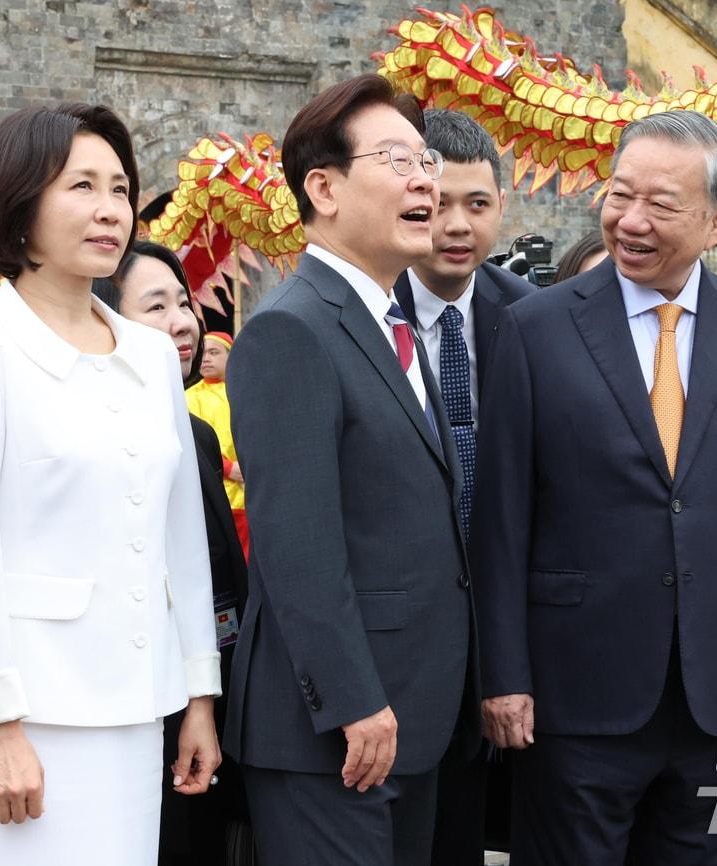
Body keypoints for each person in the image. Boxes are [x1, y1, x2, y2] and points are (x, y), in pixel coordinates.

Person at [470, 110, 717, 865]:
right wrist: (503, 676)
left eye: (660, 205)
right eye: (619, 194)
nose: (630, 221)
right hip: (574, 698)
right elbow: (500, 521)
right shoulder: (535, 329)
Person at [0, 103, 222, 866]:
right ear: (19, 206)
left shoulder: (149, 358)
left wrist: (199, 699)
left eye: (119, 187)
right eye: (81, 186)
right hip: (36, 710)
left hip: (140, 700)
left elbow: (182, 543)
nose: (110, 209)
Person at [223, 74, 479, 866]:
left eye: (426, 160)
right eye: (395, 159)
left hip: (414, 719)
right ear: (324, 189)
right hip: (336, 734)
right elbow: (299, 546)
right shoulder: (291, 333)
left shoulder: (395, 321)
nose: (424, 181)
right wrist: (354, 701)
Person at [391, 107, 532, 864]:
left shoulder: (535, 320)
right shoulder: (362, 319)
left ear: (501, 209)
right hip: (406, 637)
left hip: (509, 624)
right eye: (438, 203)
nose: (455, 224)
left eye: (476, 205)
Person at [92, 242, 251, 865]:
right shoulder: (99, 437)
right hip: (139, 702)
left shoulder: (200, 433)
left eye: (183, 302)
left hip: (212, 687)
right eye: (155, 307)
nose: (183, 323)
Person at [184, 332, 248, 557]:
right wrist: (230, 468)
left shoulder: (243, 392)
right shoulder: (189, 397)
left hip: (247, 492)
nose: (206, 358)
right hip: (216, 488)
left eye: (214, 352)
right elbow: (192, 444)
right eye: (203, 352)